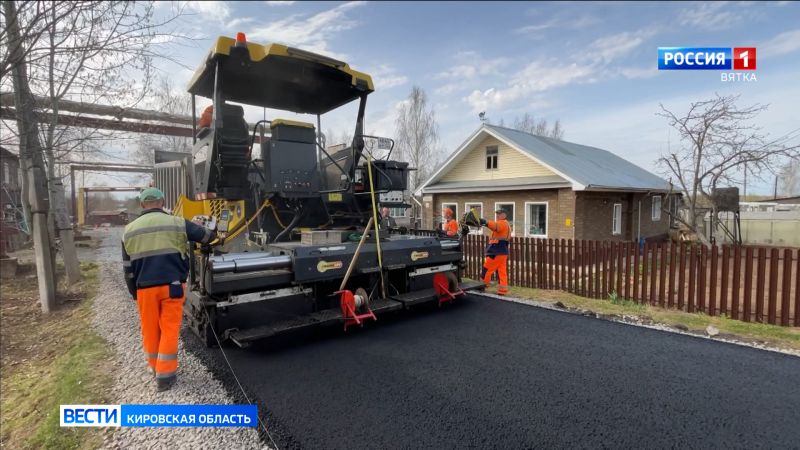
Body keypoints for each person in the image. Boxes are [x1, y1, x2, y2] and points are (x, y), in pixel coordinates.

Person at [121, 188, 217, 391]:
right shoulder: (177, 222)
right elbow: (208, 237)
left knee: (149, 329)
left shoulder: (128, 230)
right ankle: (165, 377)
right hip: (172, 287)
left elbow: (128, 269)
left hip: (144, 289)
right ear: (163, 201)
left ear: (142, 204)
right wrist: (201, 227)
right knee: (169, 330)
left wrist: (134, 292)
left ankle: (155, 368)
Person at [479, 208, 511, 295]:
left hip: (496, 252)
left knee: (487, 269)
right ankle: (502, 290)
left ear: (504, 215)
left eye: (499, 214)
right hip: (502, 252)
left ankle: (482, 285)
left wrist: (485, 222)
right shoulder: (506, 224)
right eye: (497, 213)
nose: (497, 215)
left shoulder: (502, 223)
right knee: (502, 272)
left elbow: (495, 227)